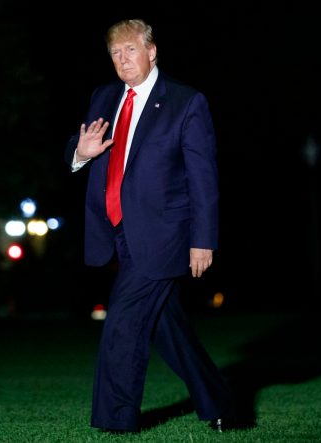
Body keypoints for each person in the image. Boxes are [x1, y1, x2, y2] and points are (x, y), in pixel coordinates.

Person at [64, 19, 236, 433]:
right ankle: (221, 404)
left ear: (151, 50)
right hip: (116, 232)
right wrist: (80, 153)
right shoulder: (103, 96)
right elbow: (80, 148)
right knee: (167, 326)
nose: (123, 60)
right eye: (115, 53)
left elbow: (203, 178)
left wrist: (202, 240)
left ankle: (115, 421)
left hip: (164, 235)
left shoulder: (184, 101)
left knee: (123, 323)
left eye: (131, 50)